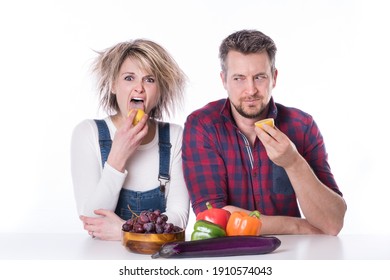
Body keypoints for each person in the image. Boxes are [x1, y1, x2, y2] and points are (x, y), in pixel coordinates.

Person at [182, 29, 347, 236]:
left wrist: (293, 162)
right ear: (224, 80)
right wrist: (296, 226)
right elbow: (213, 216)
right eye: (239, 78)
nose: (250, 90)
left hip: (292, 254)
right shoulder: (203, 125)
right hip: (231, 257)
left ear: (274, 77)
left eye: (259, 77)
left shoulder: (301, 126)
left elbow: (332, 223)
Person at [71, 39, 190, 240]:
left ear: (159, 90)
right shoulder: (87, 133)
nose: (139, 88)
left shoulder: (175, 136)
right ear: (113, 85)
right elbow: (91, 220)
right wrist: (118, 156)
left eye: (150, 80)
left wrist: (124, 230)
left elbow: (178, 220)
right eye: (129, 78)